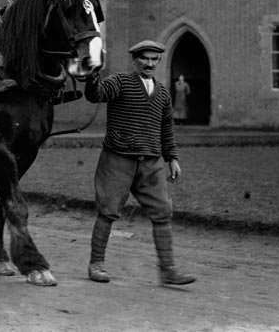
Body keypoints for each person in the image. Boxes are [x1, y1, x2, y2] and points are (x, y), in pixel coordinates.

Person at [84, 40, 196, 286]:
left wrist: (172, 158)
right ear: (135, 60)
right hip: (118, 159)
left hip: (151, 161)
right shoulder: (120, 82)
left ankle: (168, 270)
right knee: (108, 210)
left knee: (163, 212)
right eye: (144, 58)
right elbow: (96, 95)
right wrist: (92, 74)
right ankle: (96, 264)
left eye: (154, 59)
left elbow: (167, 127)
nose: (149, 63)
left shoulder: (164, 92)